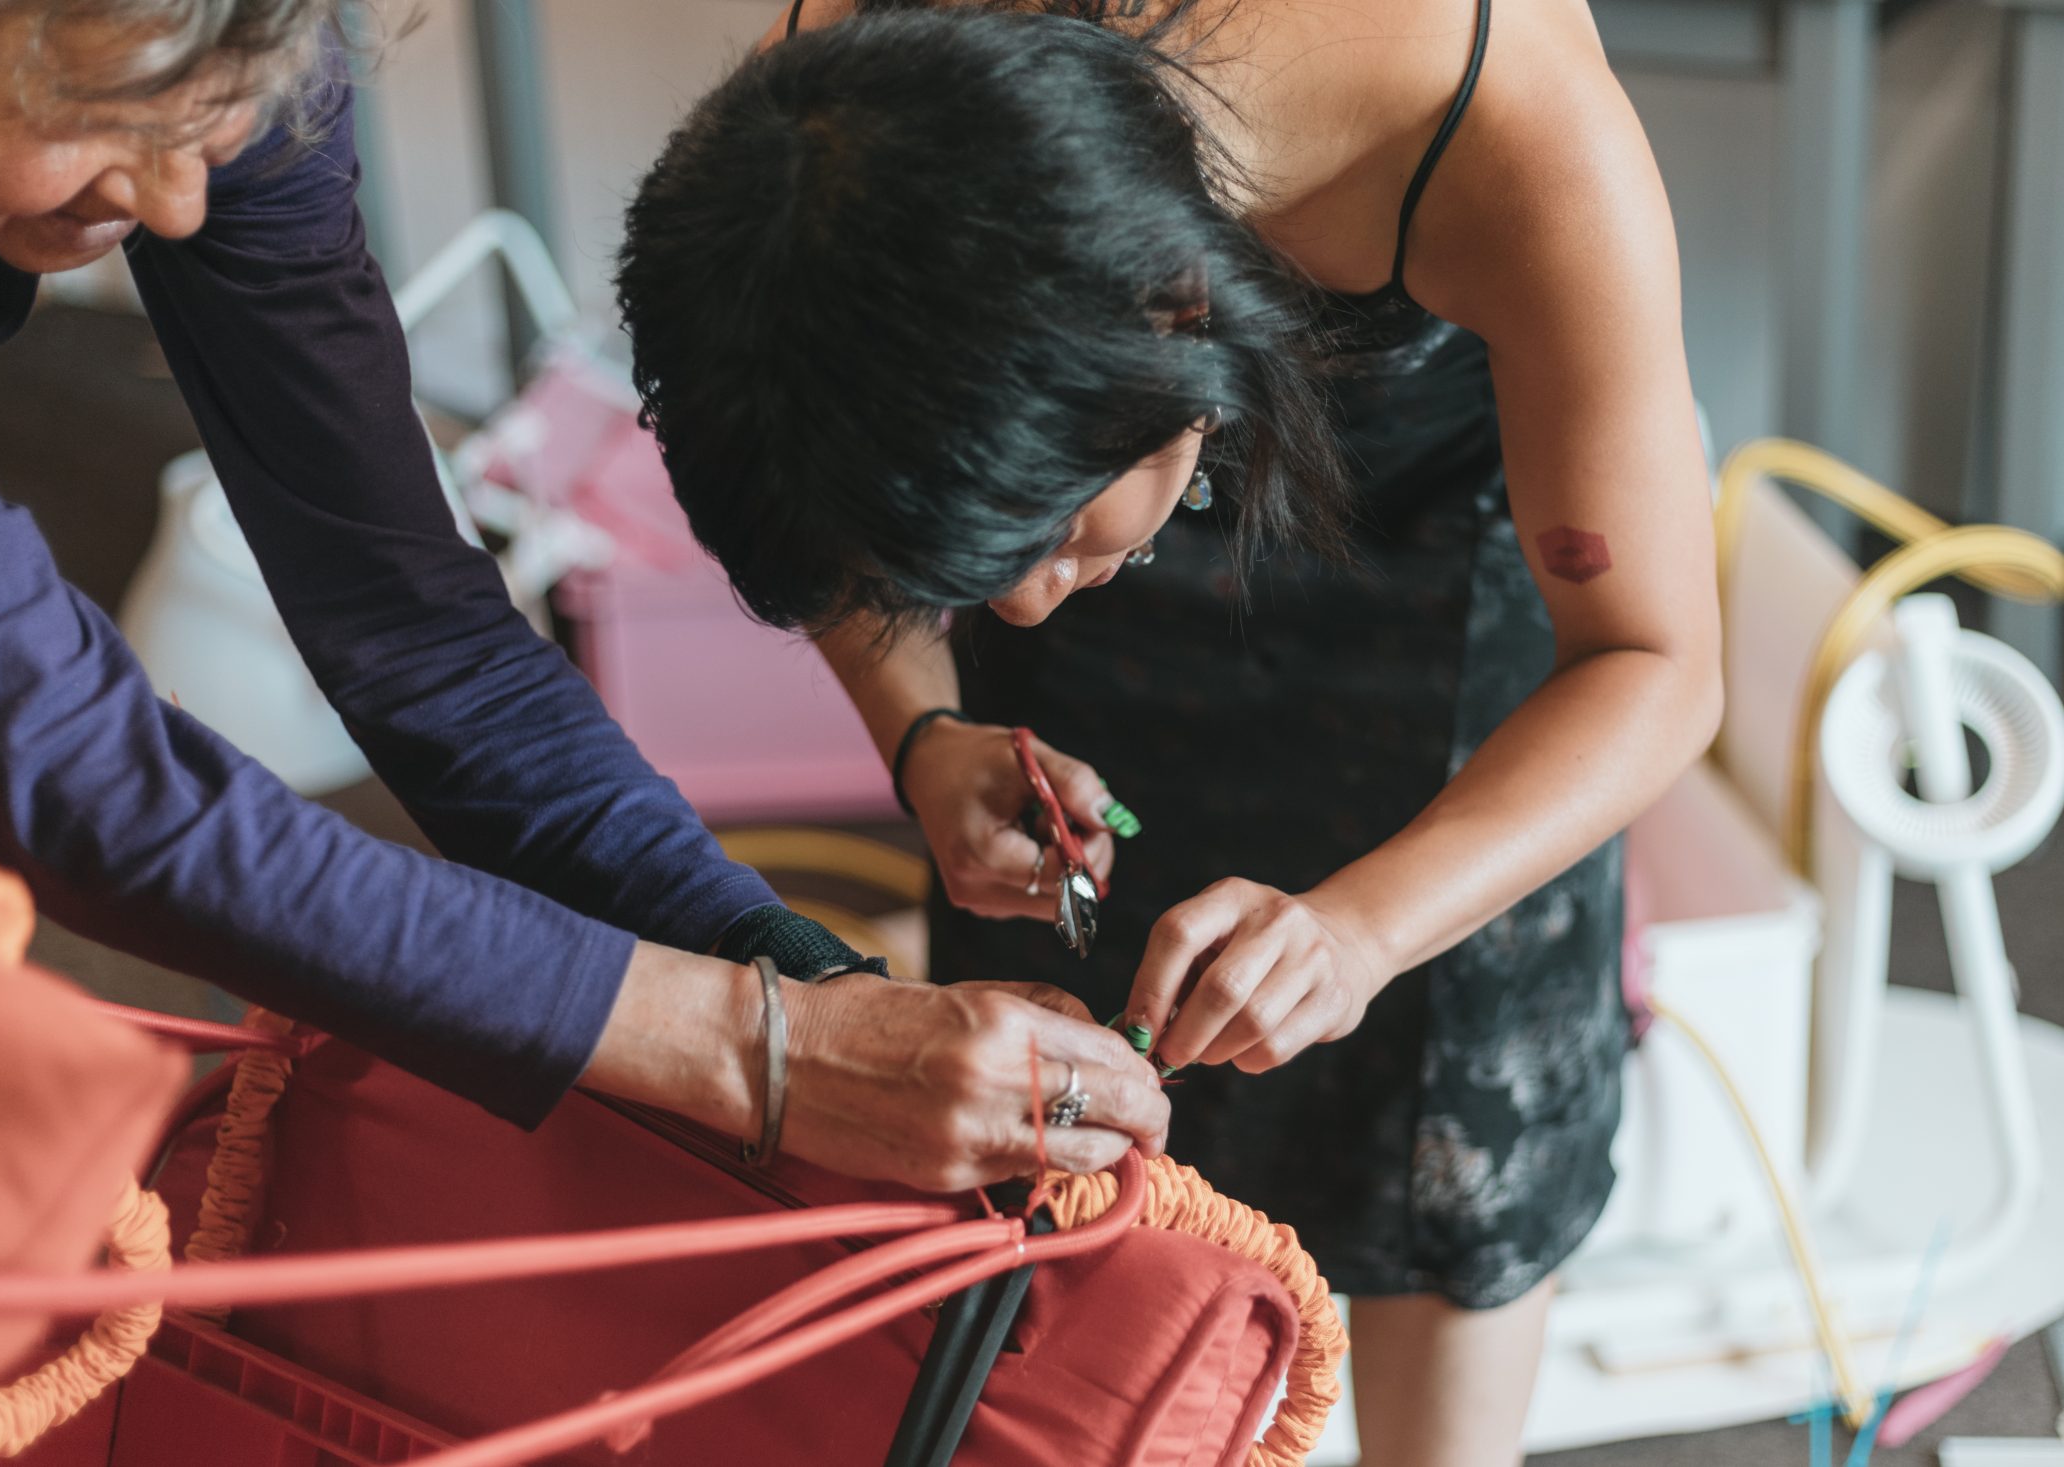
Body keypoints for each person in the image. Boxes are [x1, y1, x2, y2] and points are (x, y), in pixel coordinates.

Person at [616, 1, 1723, 1460]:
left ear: (1184, 310)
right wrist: (925, 732)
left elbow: (1655, 662)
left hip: (1445, 625)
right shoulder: (843, 107)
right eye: (969, 568)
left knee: (1444, 1164)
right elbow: (824, 490)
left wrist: (1367, 933)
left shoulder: (1509, 123)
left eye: (1054, 542)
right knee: (1051, 1163)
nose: (1015, 613)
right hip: (1094, 537)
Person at [0, 0, 1168, 1195]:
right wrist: (765, 1050)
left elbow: (417, 624)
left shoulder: (228, 50)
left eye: (216, 120)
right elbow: (76, 768)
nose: (181, 203)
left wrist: (795, 976)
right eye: (105, 119)